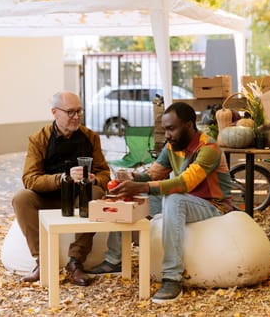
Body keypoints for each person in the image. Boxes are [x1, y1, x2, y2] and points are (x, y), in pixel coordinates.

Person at [89, 102, 234, 303]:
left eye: (171, 129)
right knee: (129, 198)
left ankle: (172, 278)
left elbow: (184, 183)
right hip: (185, 200)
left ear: (189, 126)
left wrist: (142, 187)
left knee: (174, 198)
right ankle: (114, 259)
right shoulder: (172, 146)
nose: (167, 134)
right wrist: (130, 179)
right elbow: (153, 174)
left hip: (213, 205)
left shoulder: (209, 148)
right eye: (165, 129)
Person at [12, 91, 111, 286]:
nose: (76, 117)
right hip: (47, 197)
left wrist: (93, 179)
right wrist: (62, 178)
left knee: (97, 193)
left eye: (79, 111)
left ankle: (76, 262)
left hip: (79, 198)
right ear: (54, 112)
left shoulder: (90, 138)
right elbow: (29, 179)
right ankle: (43, 262)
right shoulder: (38, 139)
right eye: (71, 112)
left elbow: (105, 174)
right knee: (21, 198)